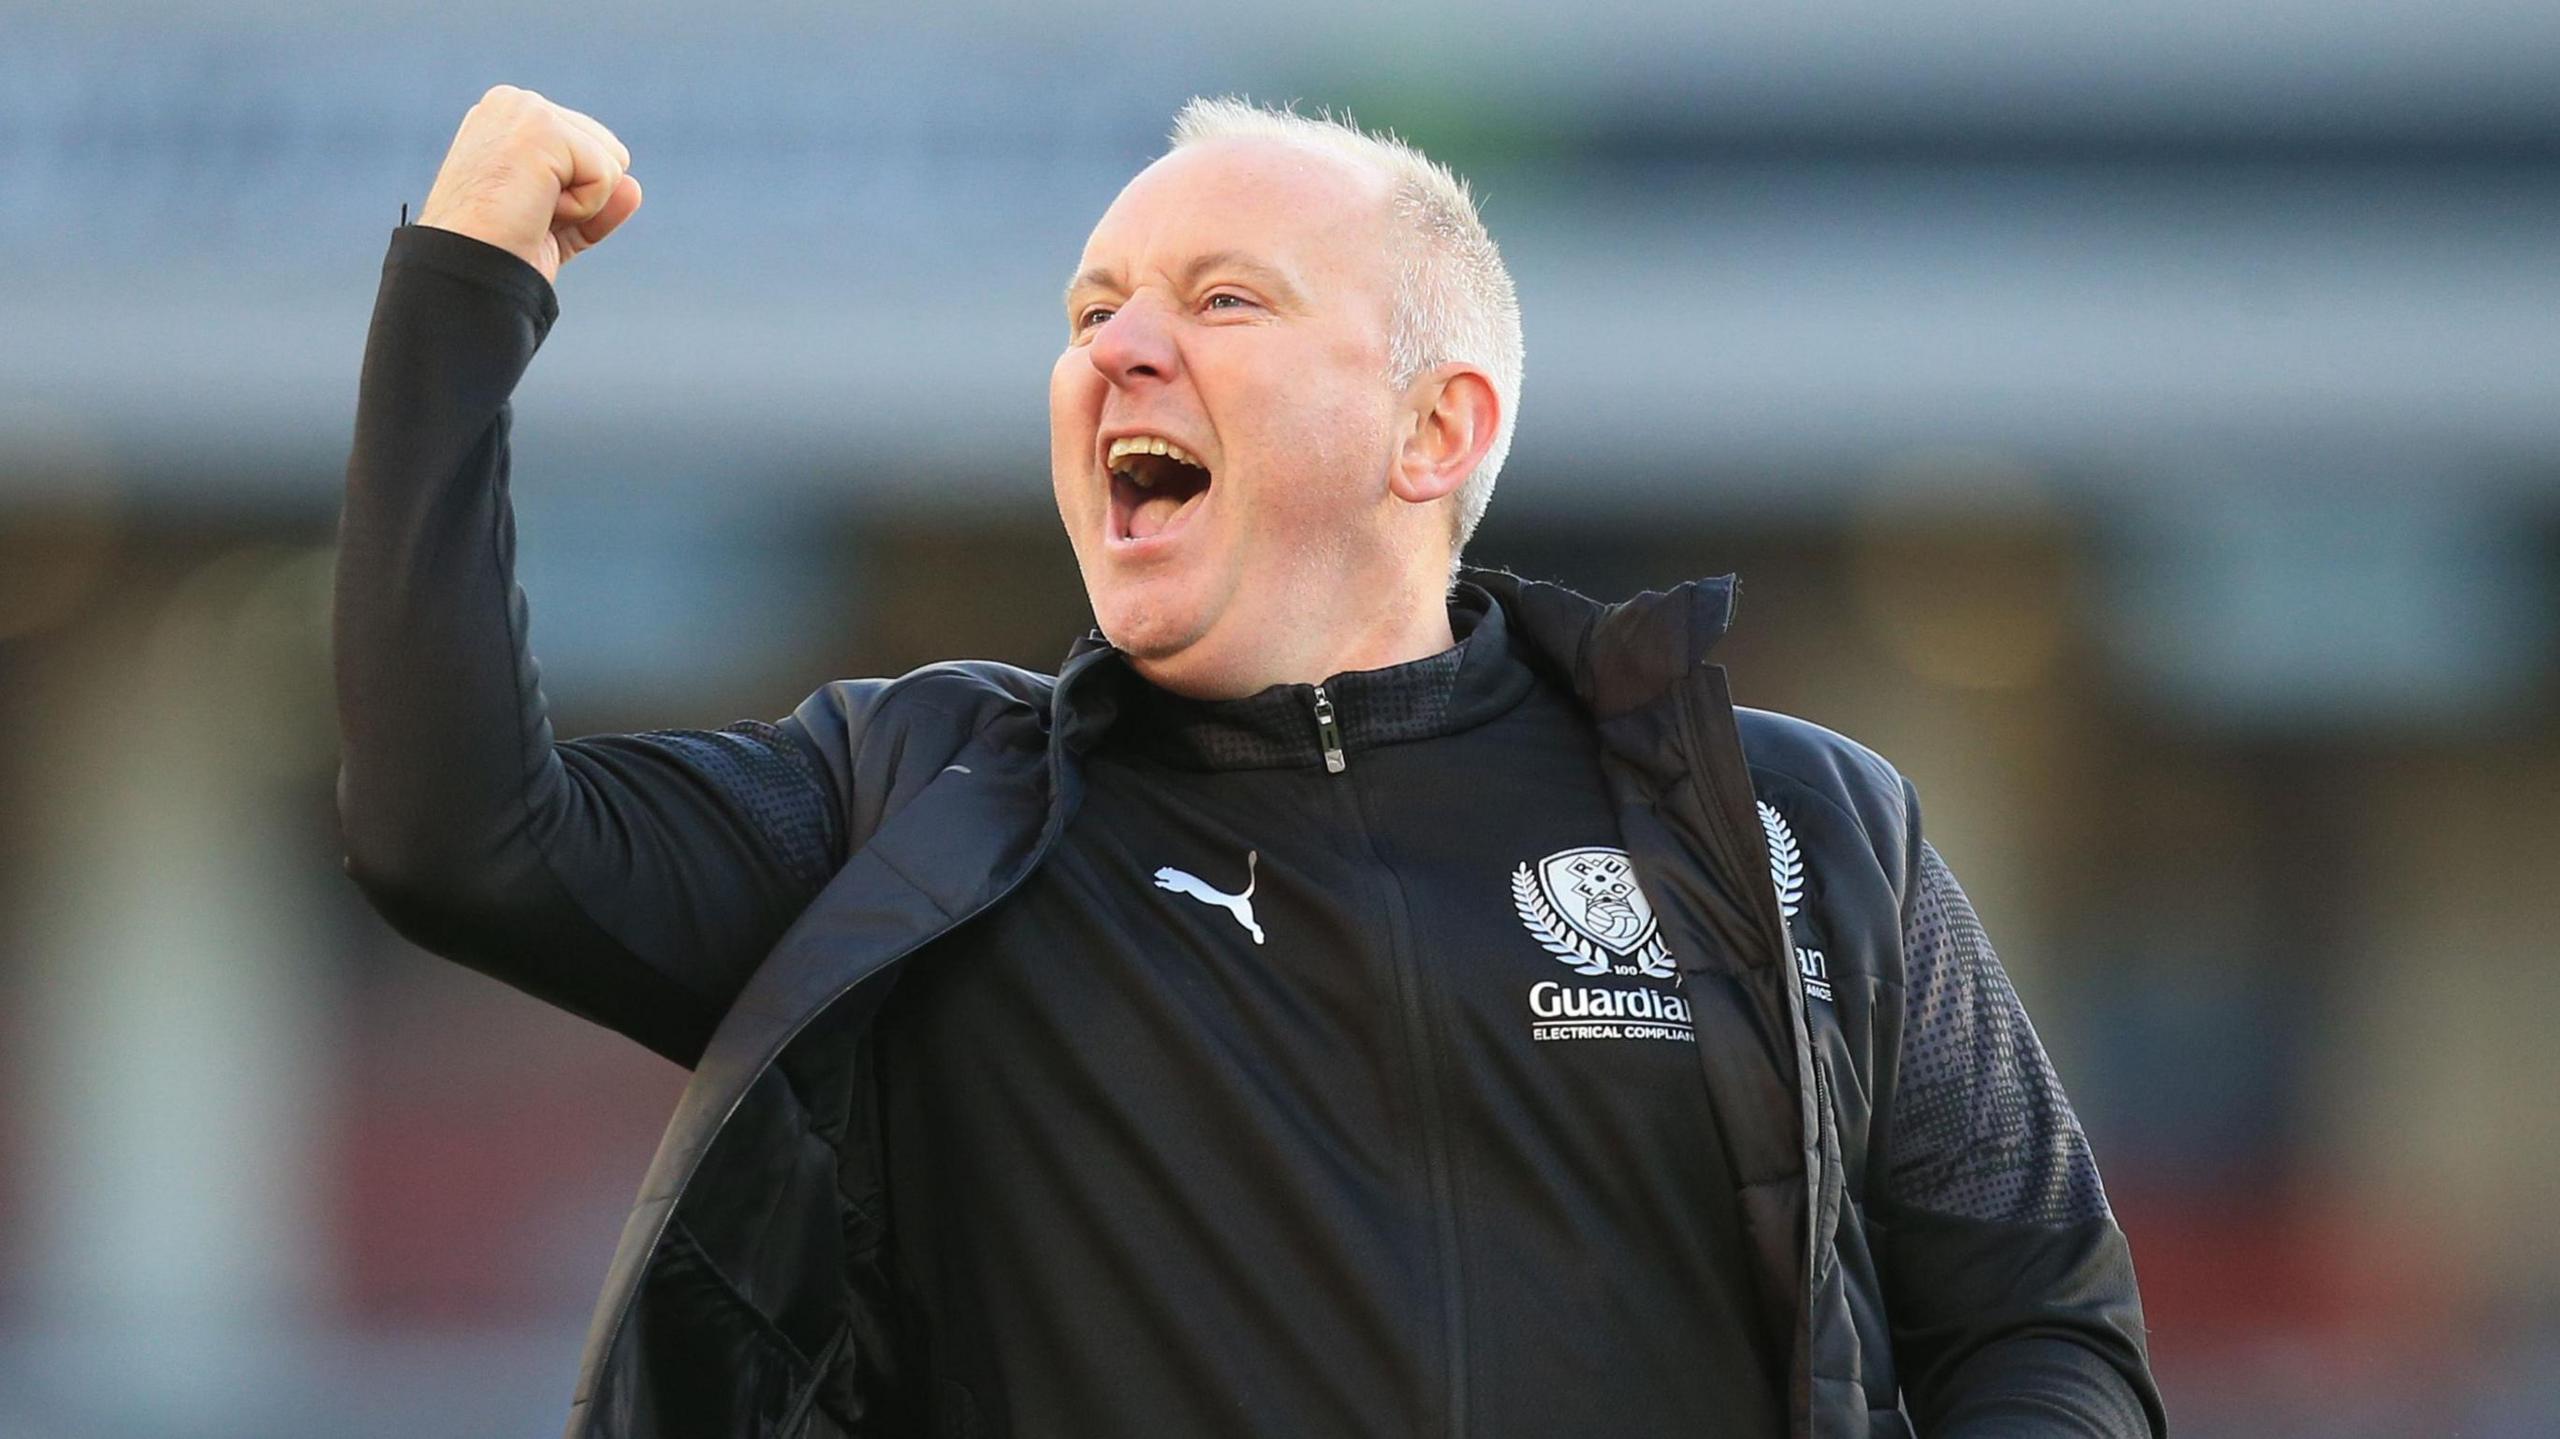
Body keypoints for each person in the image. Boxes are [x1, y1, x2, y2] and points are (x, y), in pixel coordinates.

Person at [334, 85, 2166, 1439]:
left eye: (1222, 303)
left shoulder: (1787, 822)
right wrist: (463, 294)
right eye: (1089, 310)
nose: (1118, 350)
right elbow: (461, 838)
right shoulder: (920, 810)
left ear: (1434, 427)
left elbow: (2042, 1330)